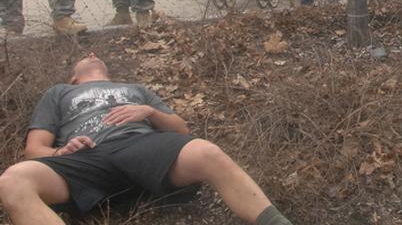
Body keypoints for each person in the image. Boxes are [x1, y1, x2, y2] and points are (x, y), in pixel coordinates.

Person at [0, 53, 293, 225]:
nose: (91, 54)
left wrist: (150, 111)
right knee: (11, 181)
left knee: (208, 152)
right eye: (83, 56)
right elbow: (33, 150)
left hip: (141, 147)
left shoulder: (135, 88)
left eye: (95, 55)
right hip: (85, 157)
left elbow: (181, 131)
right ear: (74, 78)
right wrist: (62, 151)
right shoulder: (59, 92)